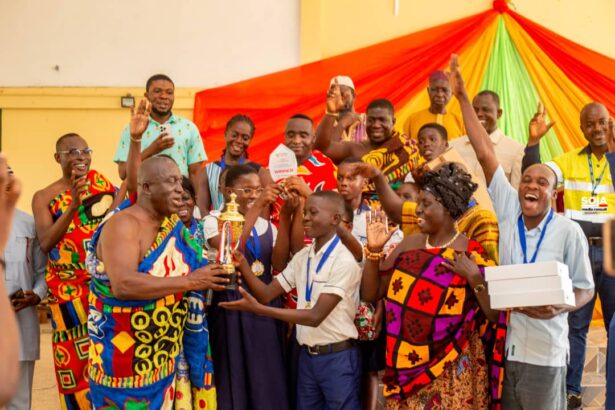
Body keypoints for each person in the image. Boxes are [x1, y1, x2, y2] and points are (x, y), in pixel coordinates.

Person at [450, 54, 594, 409]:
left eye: (542, 182)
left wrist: (561, 306)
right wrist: (463, 97)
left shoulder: (568, 231)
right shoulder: (508, 210)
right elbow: (484, 152)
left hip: (547, 354)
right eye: (527, 179)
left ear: (554, 193)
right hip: (507, 349)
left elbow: (585, 289)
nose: (531, 185)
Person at [361, 162, 506, 409]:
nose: (418, 209)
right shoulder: (409, 245)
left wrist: (475, 279)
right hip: (404, 365)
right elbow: (371, 293)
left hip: (452, 368)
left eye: (426, 203)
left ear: (447, 207)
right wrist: (374, 252)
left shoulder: (471, 253)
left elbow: (495, 315)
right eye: (418, 202)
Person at [220, 190, 362, 410]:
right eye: (305, 213)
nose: (305, 218)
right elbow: (266, 294)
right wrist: (243, 264)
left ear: (335, 219)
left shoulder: (344, 261)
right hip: (307, 357)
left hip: (337, 358)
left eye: (313, 213)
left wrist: (259, 310)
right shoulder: (303, 257)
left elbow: (315, 316)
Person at [521, 100, 615, 408]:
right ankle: (572, 390)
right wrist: (533, 143)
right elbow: (535, 177)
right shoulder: (570, 160)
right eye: (590, 124)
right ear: (582, 129)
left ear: (610, 123)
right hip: (580, 251)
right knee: (576, 325)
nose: (597, 128)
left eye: (602, 122)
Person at [32, 133, 121, 409]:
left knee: (108, 357)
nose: (80, 157)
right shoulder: (43, 197)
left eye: (85, 151)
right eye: (72, 152)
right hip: (67, 292)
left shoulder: (101, 183)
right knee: (73, 362)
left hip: (103, 286)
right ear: (57, 158)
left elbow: (119, 211)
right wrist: (73, 205)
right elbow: (46, 242)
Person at [202, 164, 290, 410]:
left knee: (266, 374)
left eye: (259, 190)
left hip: (264, 304)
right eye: (247, 190)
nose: (254, 195)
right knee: (234, 373)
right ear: (228, 191)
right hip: (231, 304)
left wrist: (284, 217)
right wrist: (260, 204)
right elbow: (230, 249)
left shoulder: (267, 227)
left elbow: (279, 264)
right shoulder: (213, 221)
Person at [351, 122, 500, 262]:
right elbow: (397, 210)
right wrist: (377, 176)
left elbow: (490, 269)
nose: (418, 210)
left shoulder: (482, 221)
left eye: (438, 188)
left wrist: (473, 276)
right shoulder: (432, 213)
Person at [113, 74, 207, 198]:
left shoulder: (189, 128)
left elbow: (195, 173)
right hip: (144, 200)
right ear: (147, 96)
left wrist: (198, 205)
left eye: (169, 92)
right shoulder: (131, 129)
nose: (164, 96)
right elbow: (123, 173)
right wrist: (151, 150)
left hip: (179, 199)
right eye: (157, 91)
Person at [4, 170, 47, 410]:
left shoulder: (29, 224)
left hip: (22, 324)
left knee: (19, 404)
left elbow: (43, 272)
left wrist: (37, 294)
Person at [315, 97, 420, 192]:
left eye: (382, 120)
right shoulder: (355, 149)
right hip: (361, 206)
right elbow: (322, 148)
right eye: (371, 120)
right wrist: (331, 113)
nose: (376, 125)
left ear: (393, 121)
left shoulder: (407, 147)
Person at [449, 90, 525, 188]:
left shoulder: (516, 150)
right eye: (475, 110)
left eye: (486, 110)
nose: (479, 114)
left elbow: (515, 191)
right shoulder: (453, 146)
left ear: (499, 113)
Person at [198, 114, 272, 213]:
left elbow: (264, 211)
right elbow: (202, 209)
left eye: (245, 138)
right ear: (225, 134)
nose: (239, 141)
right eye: (234, 135)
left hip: (249, 223)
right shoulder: (208, 171)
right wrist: (214, 223)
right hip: (216, 222)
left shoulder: (259, 172)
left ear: (250, 140)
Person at [0, 155, 23, 405]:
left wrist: (36, 293)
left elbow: (39, 265)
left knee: (20, 397)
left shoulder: (27, 221)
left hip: (19, 309)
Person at [403, 70, 464, 141]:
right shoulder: (412, 120)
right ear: (428, 91)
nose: (440, 94)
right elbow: (405, 145)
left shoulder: (460, 122)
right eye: (435, 89)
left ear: (452, 93)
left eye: (445, 90)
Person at [316, 76, 367, 144]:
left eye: (342, 94)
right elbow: (321, 147)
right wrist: (343, 123)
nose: (339, 99)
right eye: (335, 95)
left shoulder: (367, 121)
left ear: (354, 96)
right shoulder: (325, 126)